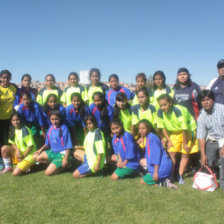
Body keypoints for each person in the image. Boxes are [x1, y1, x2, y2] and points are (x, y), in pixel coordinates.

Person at [157, 94, 198, 184]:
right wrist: (169, 140)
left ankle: (180, 175)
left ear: (170, 103)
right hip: (174, 131)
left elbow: (185, 129)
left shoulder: (178, 110)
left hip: (188, 130)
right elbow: (162, 127)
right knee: (171, 152)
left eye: (165, 105)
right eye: (160, 105)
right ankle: (170, 175)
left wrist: (185, 144)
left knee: (185, 153)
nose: (162, 107)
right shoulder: (160, 112)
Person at [197, 90, 224, 190]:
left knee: (223, 159)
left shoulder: (222, 109)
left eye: (208, 99)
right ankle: (209, 180)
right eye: (203, 100)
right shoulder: (201, 116)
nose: (205, 102)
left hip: (223, 138)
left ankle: (223, 182)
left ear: (213, 100)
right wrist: (203, 154)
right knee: (206, 160)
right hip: (212, 140)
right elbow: (201, 136)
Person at [138, 120, 176, 189]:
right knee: (142, 161)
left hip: (162, 168)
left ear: (149, 128)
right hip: (161, 167)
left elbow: (156, 157)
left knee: (143, 181)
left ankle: (163, 182)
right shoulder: (149, 137)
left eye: (143, 128)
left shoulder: (152, 138)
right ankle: (162, 179)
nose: (141, 130)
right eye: (139, 128)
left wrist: (155, 172)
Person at [33, 110, 73, 176]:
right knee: (35, 157)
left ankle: (67, 164)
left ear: (60, 118)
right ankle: (54, 163)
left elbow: (68, 146)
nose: (54, 121)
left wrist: (65, 159)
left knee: (47, 173)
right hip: (53, 152)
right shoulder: (51, 127)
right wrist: (40, 150)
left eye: (56, 119)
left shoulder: (64, 128)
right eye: (52, 119)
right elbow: (47, 144)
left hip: (61, 154)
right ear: (50, 119)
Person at [0, 70, 17, 147]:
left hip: (10, 118)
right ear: (0, 78)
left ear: (10, 78)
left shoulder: (13, 88)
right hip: (0, 117)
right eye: (4, 78)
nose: (5, 80)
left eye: (8, 77)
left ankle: (7, 155)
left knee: (8, 138)